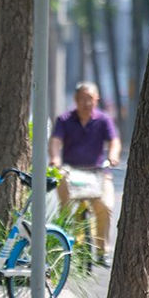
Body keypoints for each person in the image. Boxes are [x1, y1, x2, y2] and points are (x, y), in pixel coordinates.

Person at [49, 82, 121, 267]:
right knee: (66, 208)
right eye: (82, 98)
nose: (86, 103)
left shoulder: (103, 120)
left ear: (96, 99)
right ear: (75, 100)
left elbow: (114, 141)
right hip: (71, 172)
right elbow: (56, 141)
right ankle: (67, 246)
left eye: (90, 98)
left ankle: (102, 251)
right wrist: (55, 159)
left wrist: (113, 156)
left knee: (105, 206)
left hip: (98, 172)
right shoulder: (64, 120)